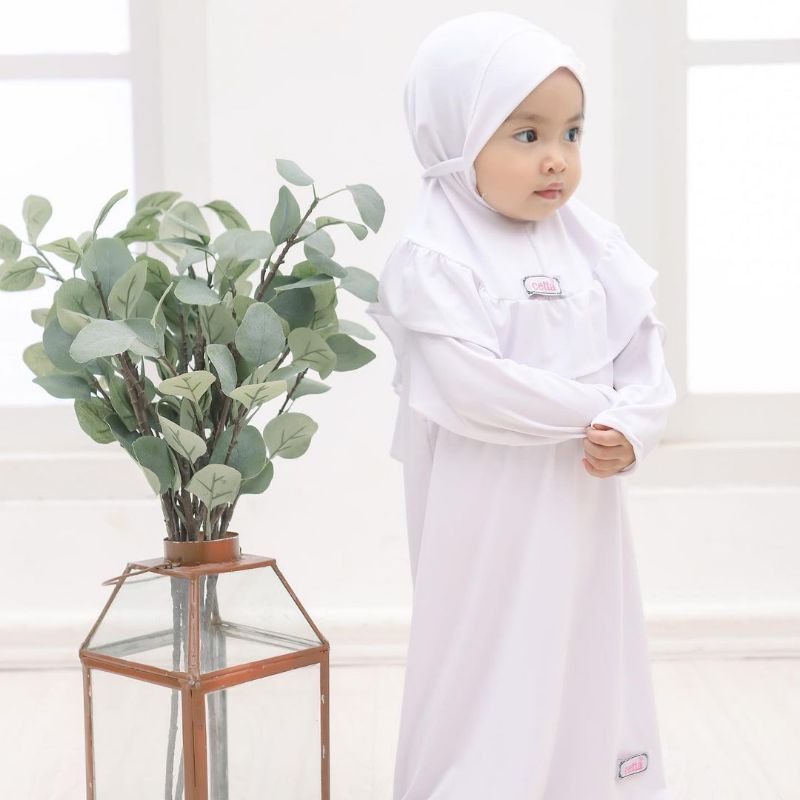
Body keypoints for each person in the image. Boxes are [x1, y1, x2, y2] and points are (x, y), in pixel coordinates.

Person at [366, 11, 676, 800]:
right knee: (491, 642)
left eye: (572, 133)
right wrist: (599, 410)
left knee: (584, 634)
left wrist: (635, 425)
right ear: (455, 138)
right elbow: (471, 387)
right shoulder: (435, 259)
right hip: (488, 507)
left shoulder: (593, 245)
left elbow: (645, 353)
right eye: (527, 134)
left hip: (581, 498)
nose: (557, 159)